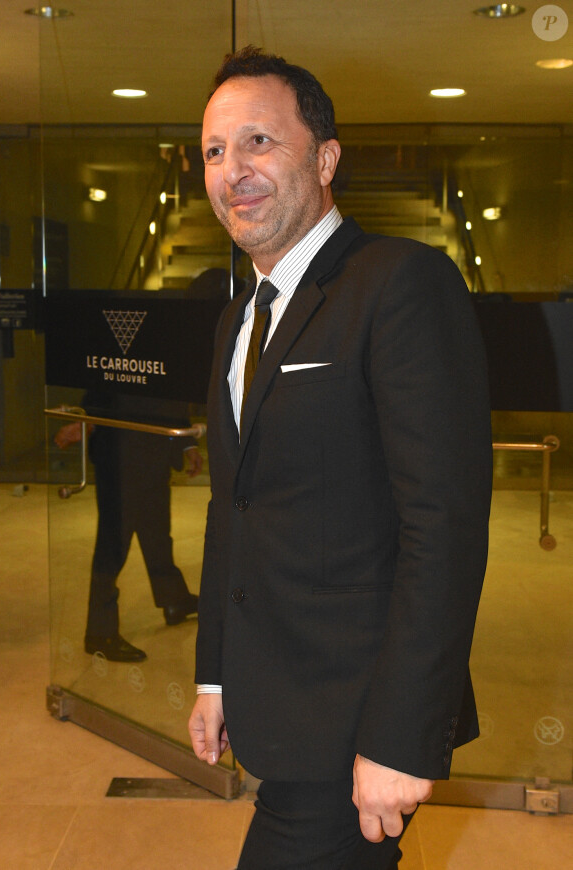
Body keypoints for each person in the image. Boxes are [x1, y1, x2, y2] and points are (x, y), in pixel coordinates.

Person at [188, 46, 492, 870]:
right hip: (275, 705)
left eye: (259, 142)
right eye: (215, 150)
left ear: (325, 158)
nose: (232, 170)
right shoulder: (237, 319)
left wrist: (402, 737)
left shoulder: (400, 283)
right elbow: (234, 509)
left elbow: (445, 526)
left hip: (359, 718)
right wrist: (215, 677)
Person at [55, 395, 202, 662]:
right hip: (120, 453)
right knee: (113, 544)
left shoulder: (164, 354)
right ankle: (100, 633)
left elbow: (169, 391)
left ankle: (174, 600)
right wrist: (87, 419)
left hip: (153, 447)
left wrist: (185, 442)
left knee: (156, 531)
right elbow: (104, 380)